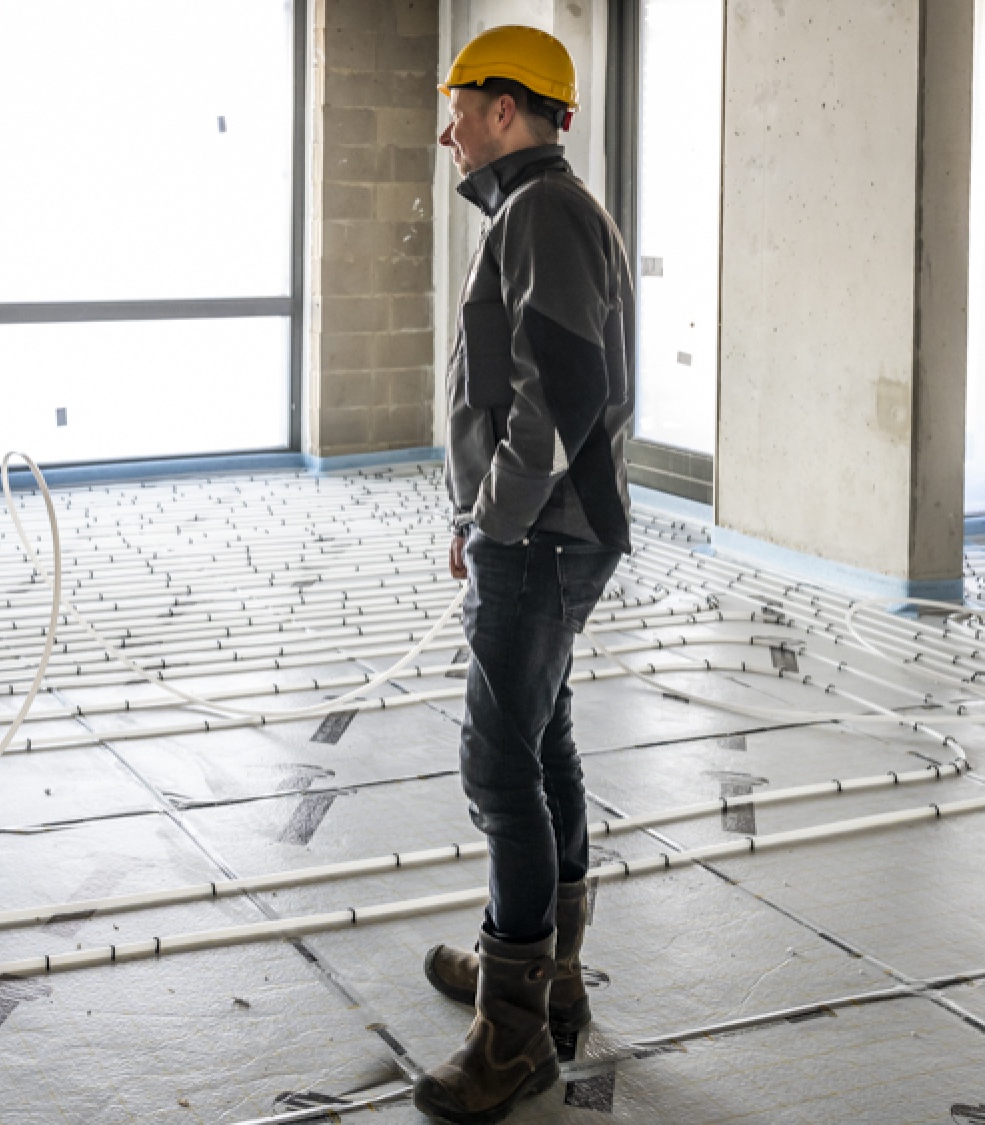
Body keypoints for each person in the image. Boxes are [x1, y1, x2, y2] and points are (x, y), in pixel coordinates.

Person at [418, 25, 636, 1124]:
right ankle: (542, 976)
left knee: (499, 769)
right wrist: (487, 510)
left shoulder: (541, 210)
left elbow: (559, 393)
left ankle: (511, 1040)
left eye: (454, 103)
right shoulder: (540, 210)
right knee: (541, 740)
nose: (443, 125)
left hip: (540, 533)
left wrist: (492, 520)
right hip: (550, 528)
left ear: (504, 109)